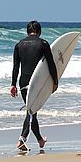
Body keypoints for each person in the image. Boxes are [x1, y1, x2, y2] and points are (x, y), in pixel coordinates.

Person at [10, 20, 57, 152]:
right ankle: (22, 139)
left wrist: (13, 85)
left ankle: (40, 140)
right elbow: (51, 64)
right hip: (37, 82)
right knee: (31, 111)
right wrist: (55, 81)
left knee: (32, 111)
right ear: (39, 31)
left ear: (27, 31)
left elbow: (15, 67)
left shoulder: (19, 45)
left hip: (23, 82)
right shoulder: (43, 44)